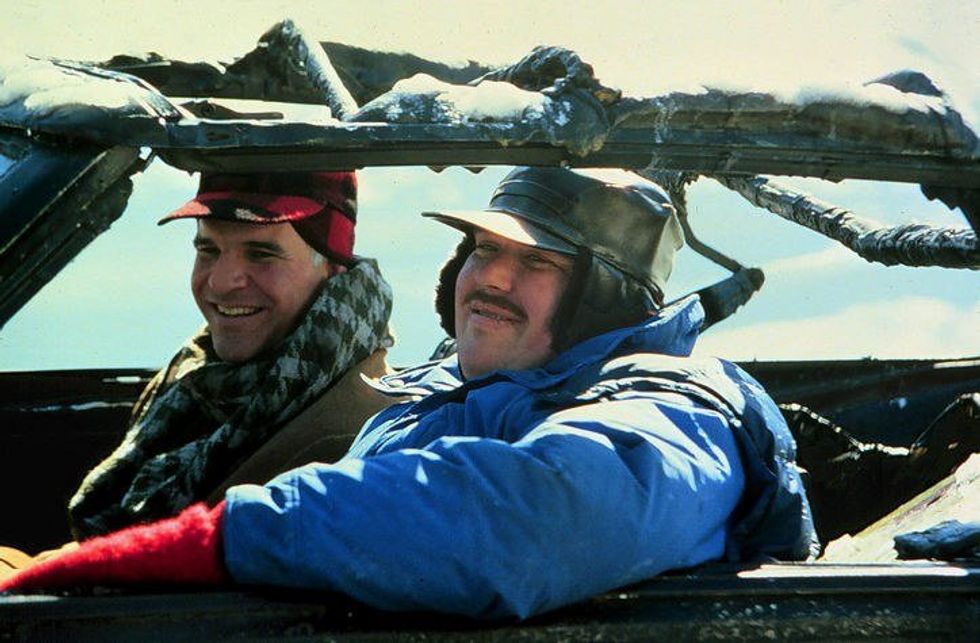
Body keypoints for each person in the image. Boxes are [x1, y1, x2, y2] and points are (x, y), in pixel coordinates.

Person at [1, 167, 817, 621]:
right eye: (481, 251)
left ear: (606, 297)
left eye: (537, 262)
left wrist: (222, 537)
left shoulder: (679, 408)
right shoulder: (443, 387)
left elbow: (528, 521)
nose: (490, 279)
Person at [66, 171, 396, 540]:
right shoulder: (194, 377)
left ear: (333, 269)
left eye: (262, 254)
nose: (221, 282)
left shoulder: (361, 437)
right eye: (208, 250)